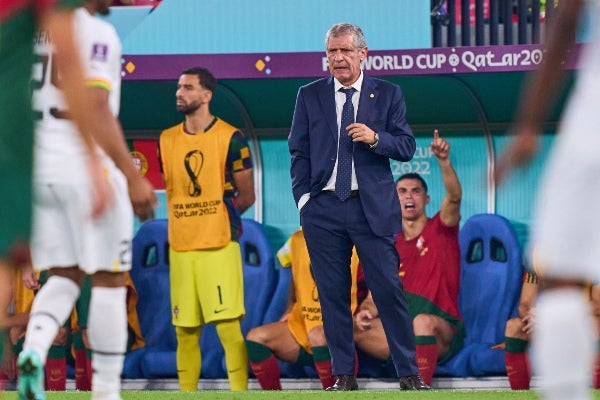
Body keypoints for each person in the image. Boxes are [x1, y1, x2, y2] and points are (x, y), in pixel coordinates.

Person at [17, 0, 158, 399]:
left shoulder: (31, 32)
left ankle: (33, 351)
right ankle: (107, 390)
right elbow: (96, 107)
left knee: (64, 275)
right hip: (86, 172)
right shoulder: (95, 32)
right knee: (110, 281)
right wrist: (132, 176)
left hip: (40, 174)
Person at [288, 22, 428, 391]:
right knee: (332, 295)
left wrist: (375, 138)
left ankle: (409, 374)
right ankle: (344, 376)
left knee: (388, 290)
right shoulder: (309, 95)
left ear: (363, 54)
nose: (338, 58)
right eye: (332, 51)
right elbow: (298, 150)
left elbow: (406, 146)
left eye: (345, 51)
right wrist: (304, 200)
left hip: (371, 209)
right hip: (323, 208)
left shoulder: (388, 93)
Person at [0, 1, 113, 396]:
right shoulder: (88, 30)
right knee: (92, 281)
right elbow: (84, 87)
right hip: (41, 153)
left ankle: (34, 350)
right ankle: (93, 382)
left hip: (29, 159)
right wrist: (96, 163)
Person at [495, 1, 600, 399]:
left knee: (558, 280)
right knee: (554, 279)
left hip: (592, 125)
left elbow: (566, 19)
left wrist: (528, 125)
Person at [158, 66, 255, 391]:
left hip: (219, 246)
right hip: (181, 248)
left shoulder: (231, 138)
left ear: (206, 95)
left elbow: (247, 196)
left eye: (188, 87)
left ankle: (239, 395)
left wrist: (215, 219)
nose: (179, 92)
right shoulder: (166, 139)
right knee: (185, 331)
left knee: (228, 327)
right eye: (178, 86)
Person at [353, 130, 464, 386]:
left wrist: (443, 161)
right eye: (402, 191)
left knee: (422, 322)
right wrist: (365, 312)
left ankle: (417, 389)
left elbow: (454, 197)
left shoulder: (441, 230)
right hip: (400, 332)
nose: (409, 196)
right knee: (348, 326)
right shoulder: (385, 245)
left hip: (441, 329)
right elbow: (374, 297)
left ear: (426, 199)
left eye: (415, 191)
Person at [246, 229, 363, 390]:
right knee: (256, 338)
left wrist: (365, 310)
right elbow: (295, 275)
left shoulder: (357, 240)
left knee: (318, 336)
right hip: (302, 325)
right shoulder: (296, 239)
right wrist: (290, 306)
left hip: (340, 328)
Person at [503, 271, 539, 390]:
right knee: (514, 326)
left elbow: (592, 305)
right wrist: (534, 317)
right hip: (546, 325)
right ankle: (520, 394)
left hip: (579, 322)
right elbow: (524, 305)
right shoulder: (537, 266)